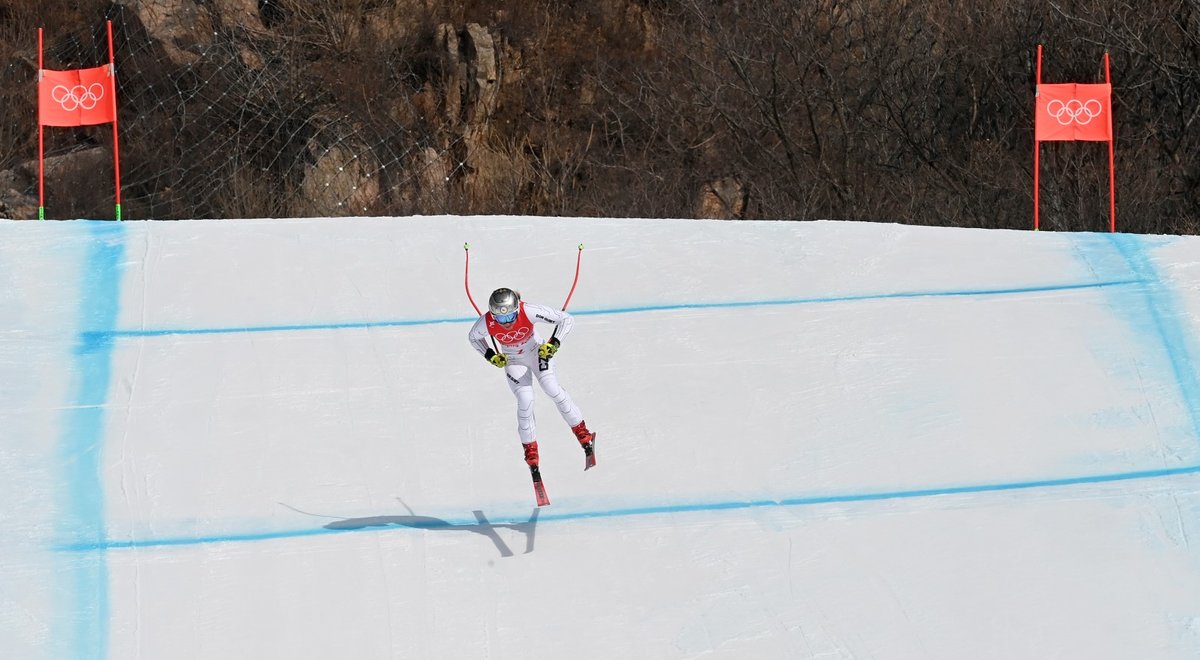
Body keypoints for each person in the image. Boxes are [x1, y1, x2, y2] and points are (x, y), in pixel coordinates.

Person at [468, 287, 596, 469]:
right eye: (501, 319)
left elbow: (566, 319)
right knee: (525, 400)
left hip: (537, 353)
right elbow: (473, 338)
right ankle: (531, 452)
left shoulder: (528, 310)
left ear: (517, 310)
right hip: (513, 360)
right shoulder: (486, 322)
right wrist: (490, 355)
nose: (506, 323)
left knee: (552, 389)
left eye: (511, 317)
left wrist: (553, 343)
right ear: (492, 314)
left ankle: (583, 434)